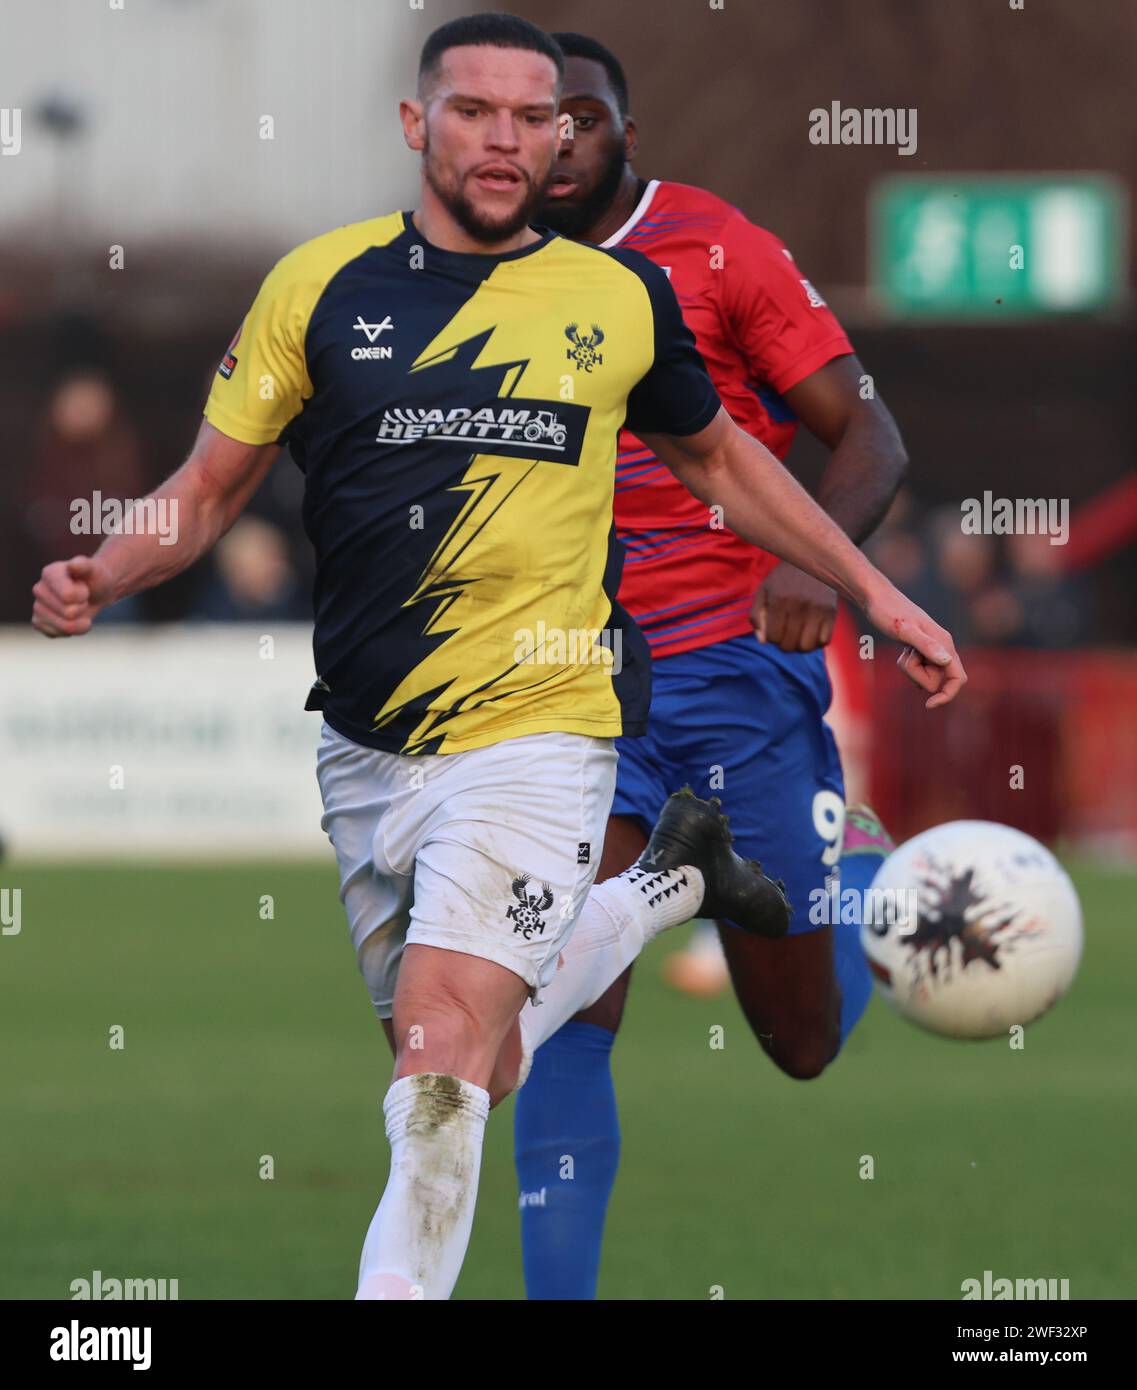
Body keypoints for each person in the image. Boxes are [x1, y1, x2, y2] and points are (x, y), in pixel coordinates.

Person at [31, 13, 964, 1301]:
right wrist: (106, 568)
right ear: (419, 126)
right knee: (485, 1053)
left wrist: (874, 590)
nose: (512, 139)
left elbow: (724, 462)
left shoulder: (617, 295)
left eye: (538, 117)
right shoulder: (319, 286)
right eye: (477, 111)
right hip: (368, 745)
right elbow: (205, 487)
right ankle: (664, 887)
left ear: (573, 133)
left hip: (548, 726)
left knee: (440, 1075)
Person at [511, 32, 925, 1300]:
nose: (561, 141)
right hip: (560, 685)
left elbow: (871, 436)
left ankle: (851, 862)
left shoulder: (713, 246)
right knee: (559, 1005)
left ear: (625, 132)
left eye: (584, 117)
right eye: (539, 122)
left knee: (800, 1044)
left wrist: (822, 564)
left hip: (729, 673)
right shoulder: (465, 277)